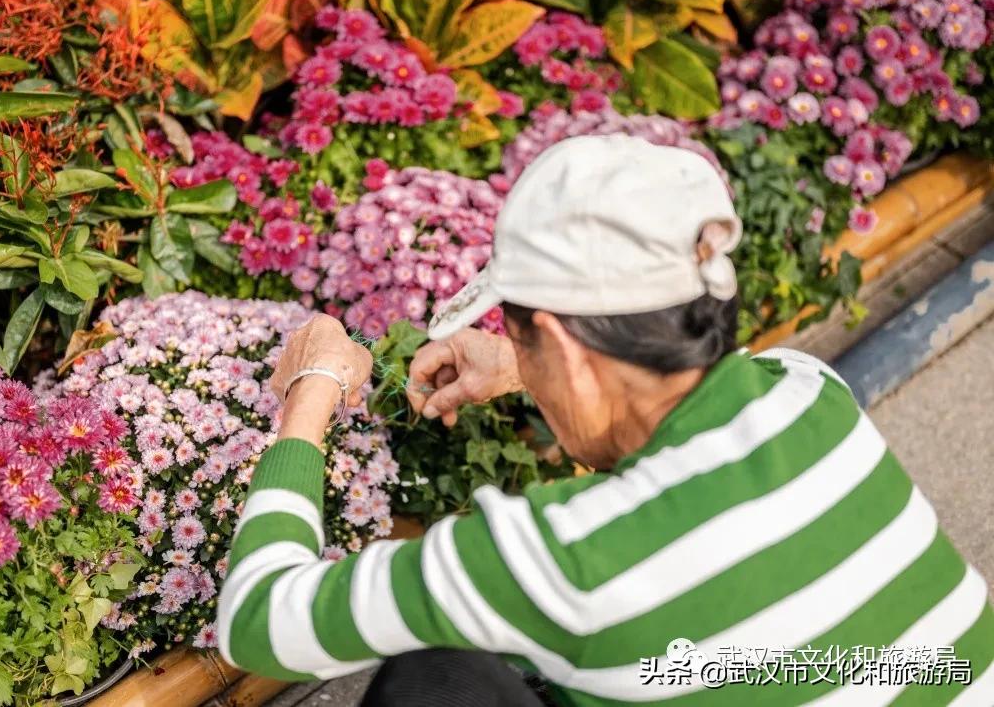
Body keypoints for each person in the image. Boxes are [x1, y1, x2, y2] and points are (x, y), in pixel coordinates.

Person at [217, 135, 994, 706]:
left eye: (524, 338)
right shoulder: (811, 392)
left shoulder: (555, 560)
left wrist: (312, 388)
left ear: (562, 342)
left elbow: (255, 619)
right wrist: (524, 364)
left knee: (434, 683)